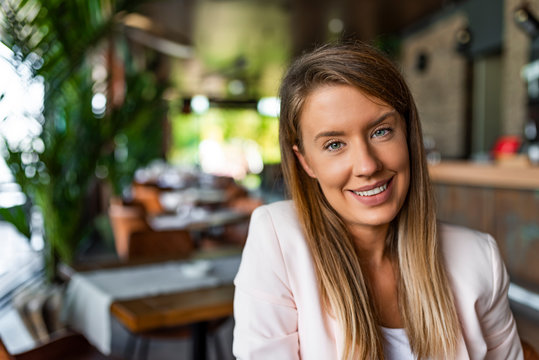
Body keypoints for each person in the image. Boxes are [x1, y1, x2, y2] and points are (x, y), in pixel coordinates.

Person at [233, 42, 523, 359]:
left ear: (408, 134)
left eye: (381, 131)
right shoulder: (278, 240)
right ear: (305, 162)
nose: (367, 166)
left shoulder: (479, 259)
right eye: (334, 145)